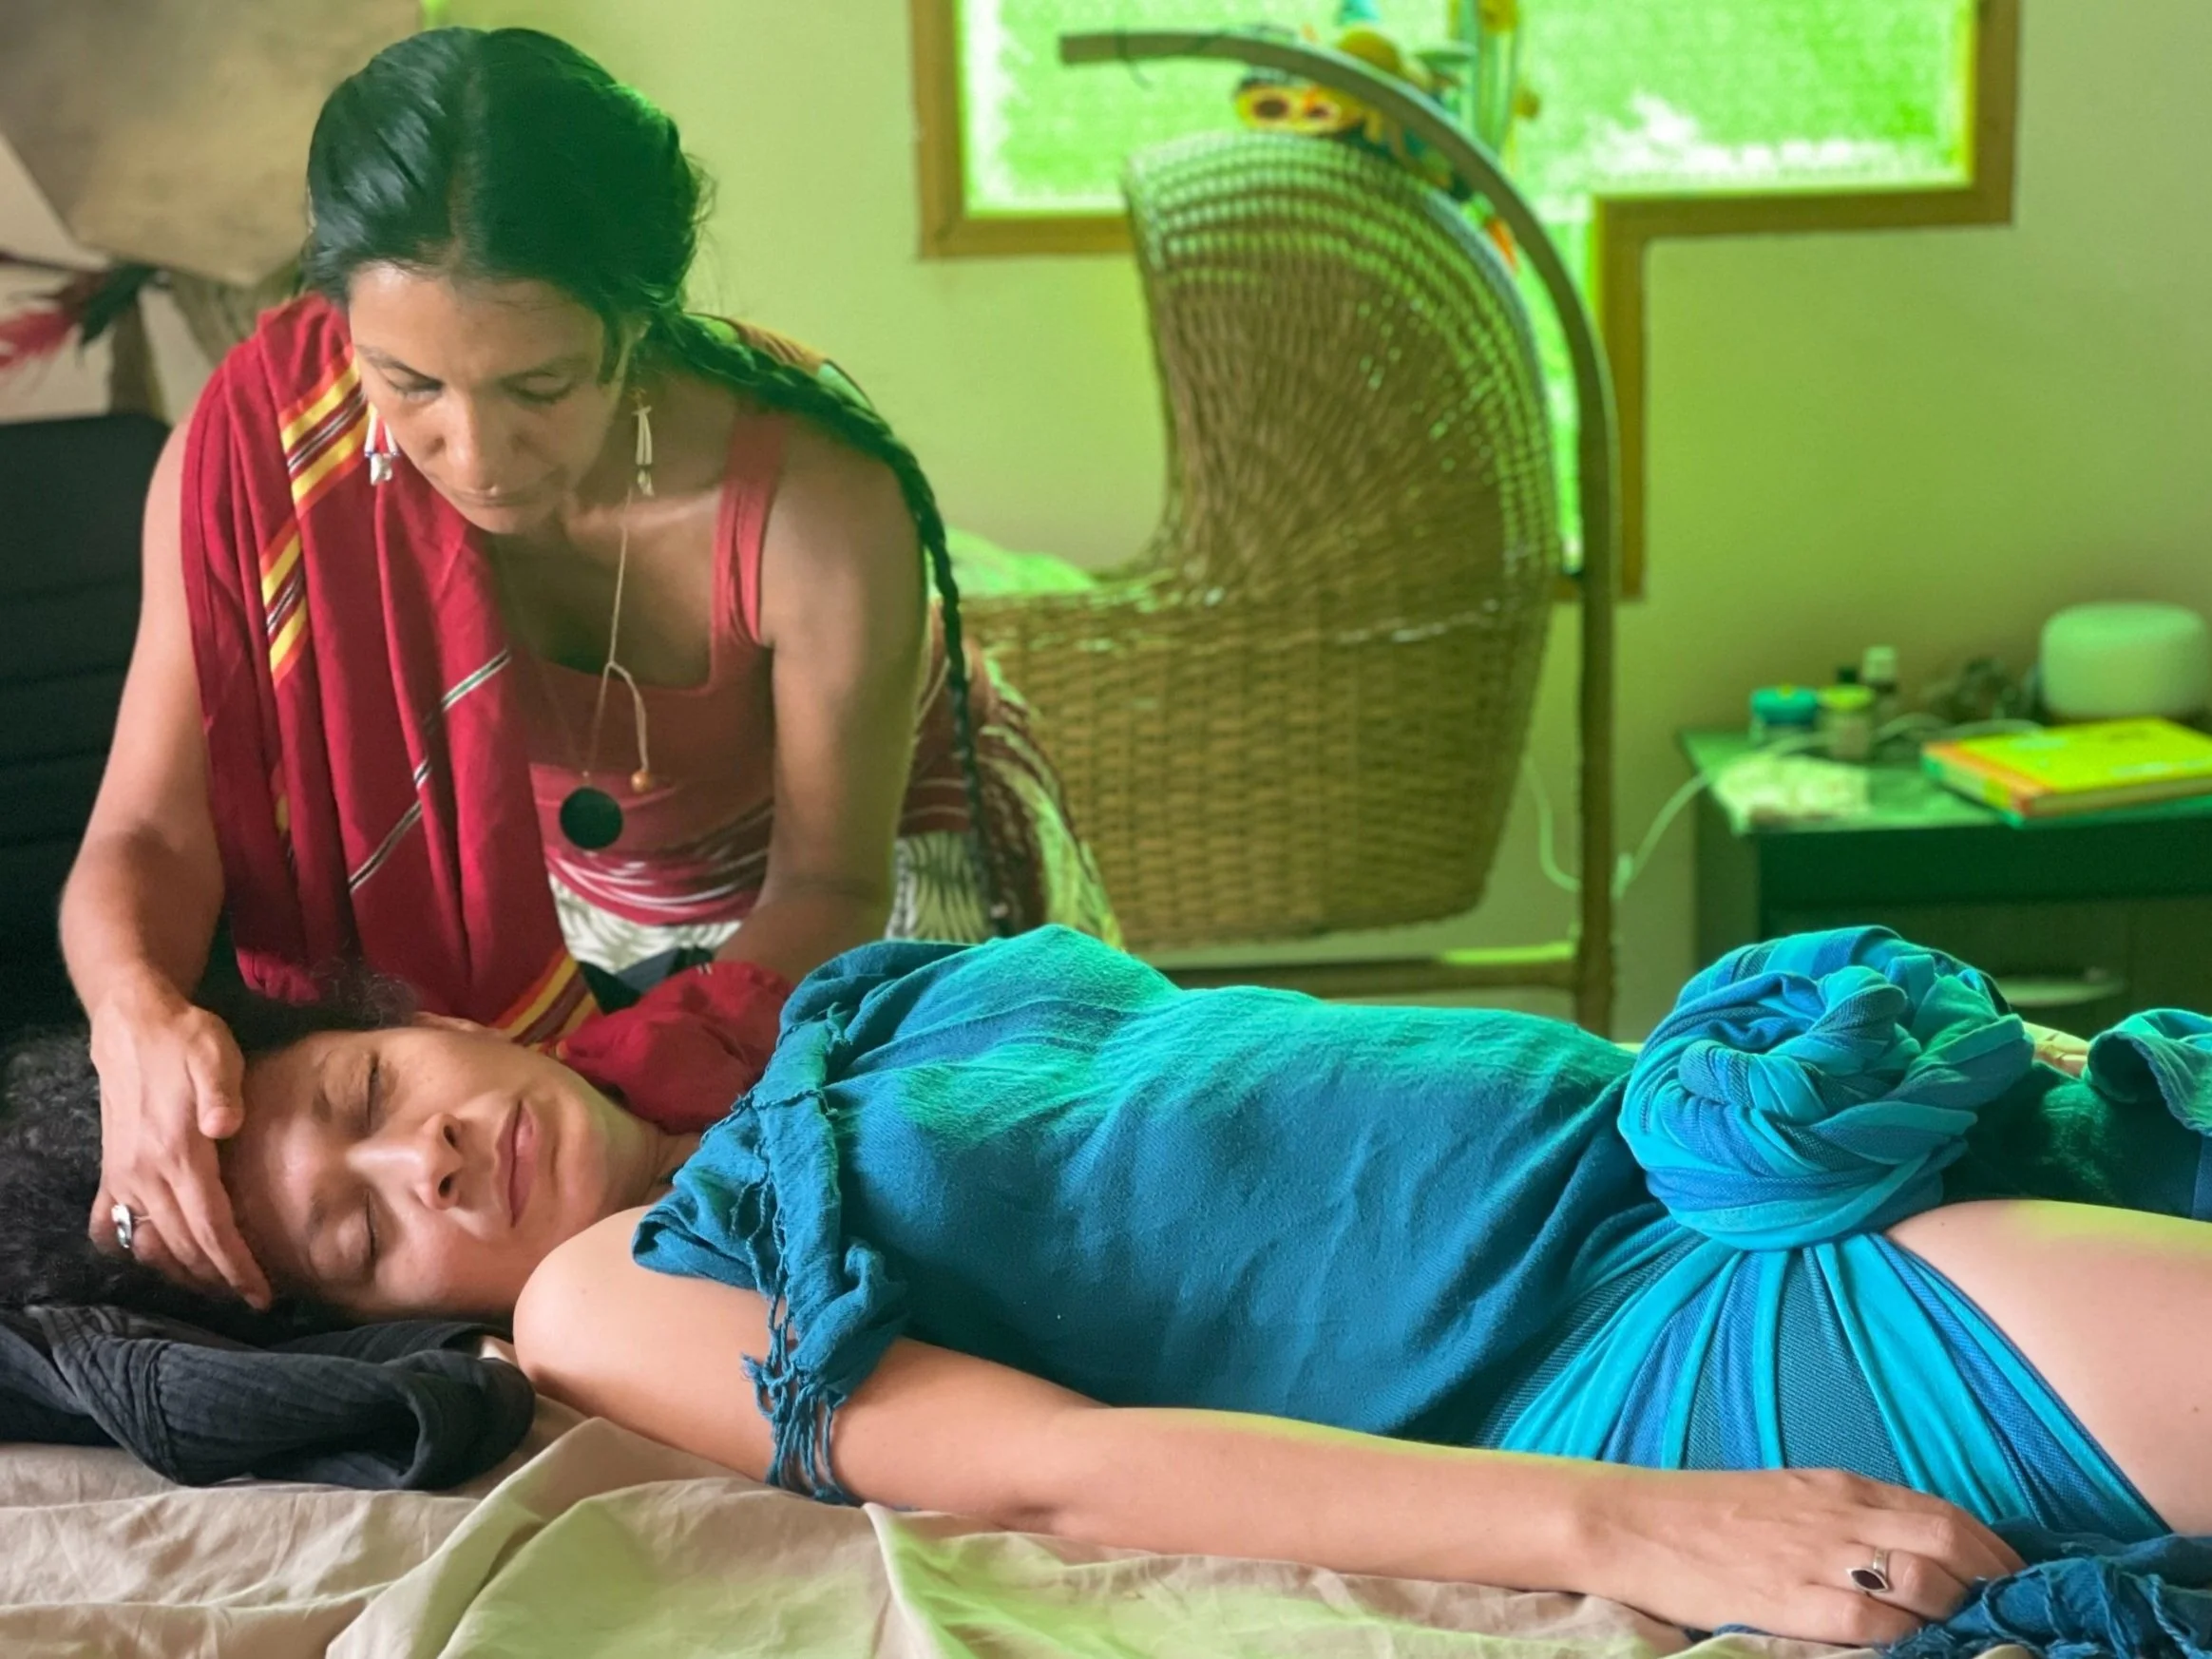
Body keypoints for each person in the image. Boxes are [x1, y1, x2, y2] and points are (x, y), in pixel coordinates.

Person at [17, 925, 2212, 1649]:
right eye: (361, 1225)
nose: (426, 1152)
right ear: (393, 1326)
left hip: (1684, 1143)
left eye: (373, 1089)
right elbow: (1058, 1473)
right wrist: (1639, 1526)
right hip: (1629, 1343)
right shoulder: (608, 1296)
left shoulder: (810, 1032)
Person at [56, 29, 1116, 1316]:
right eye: (409, 383)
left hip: (869, 878)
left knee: (978, 1218)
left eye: (541, 386)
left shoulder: (818, 512)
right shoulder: (273, 447)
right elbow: (152, 831)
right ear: (343, 324)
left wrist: (596, 1085)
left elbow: (829, 882)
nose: (475, 449)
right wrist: (131, 1017)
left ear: (635, 322)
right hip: (587, 897)